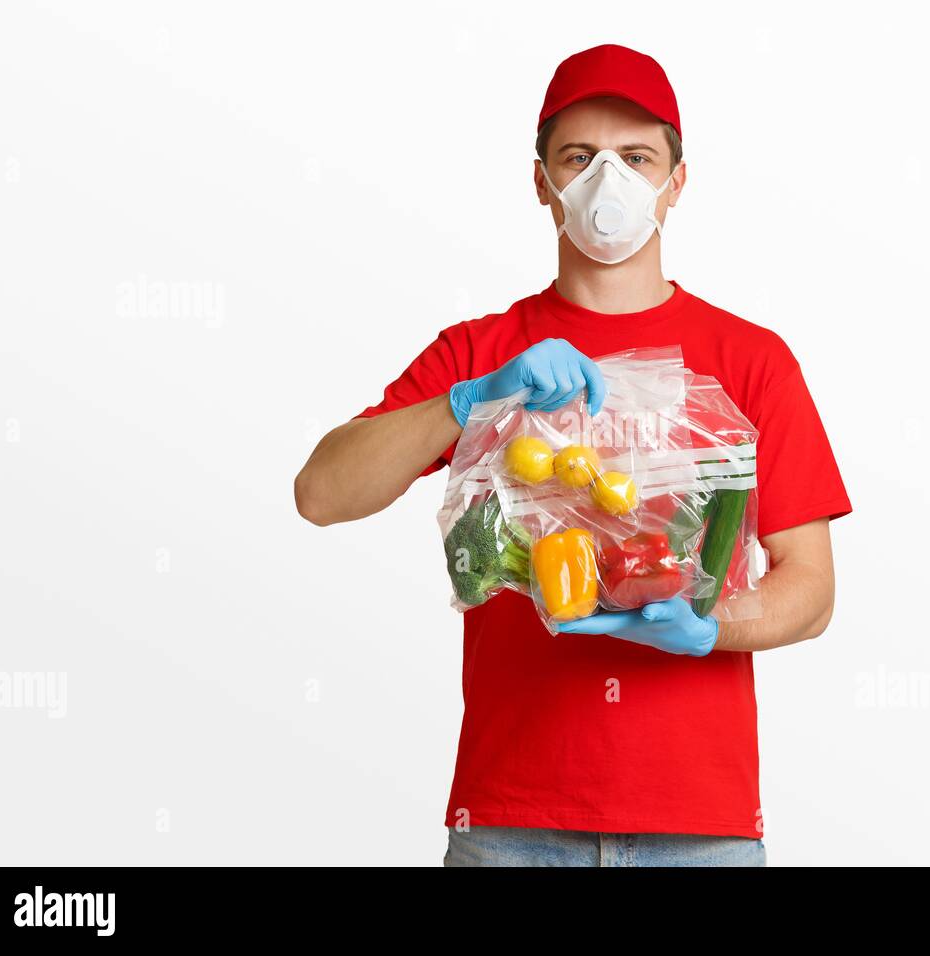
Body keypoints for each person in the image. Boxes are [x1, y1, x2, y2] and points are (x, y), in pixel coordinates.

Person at [294, 44, 851, 867]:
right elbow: (322, 491)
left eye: (635, 159)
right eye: (579, 158)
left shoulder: (751, 360)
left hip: (701, 829)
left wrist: (708, 624)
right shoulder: (482, 351)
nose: (607, 183)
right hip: (512, 820)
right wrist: (466, 403)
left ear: (677, 181)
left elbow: (811, 587)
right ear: (541, 180)